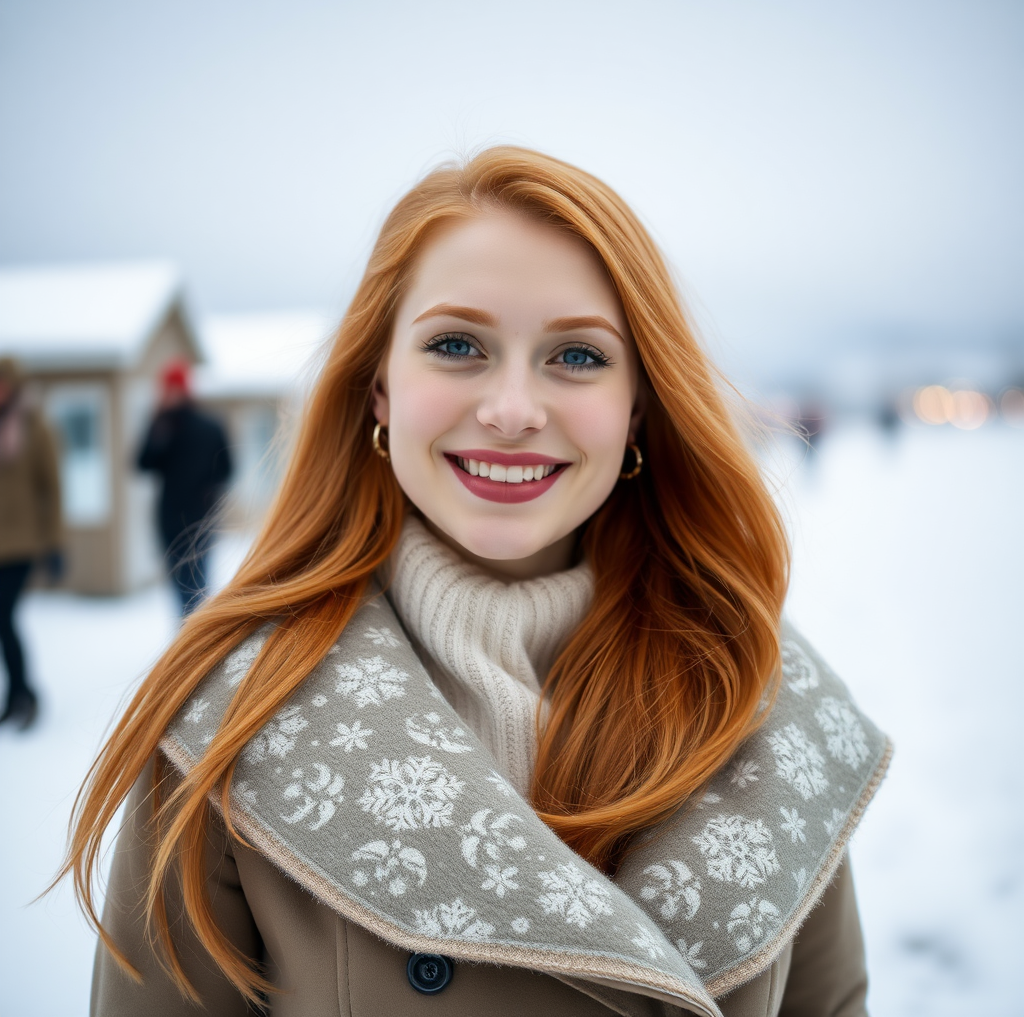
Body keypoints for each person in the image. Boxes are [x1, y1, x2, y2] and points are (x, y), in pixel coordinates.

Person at [62, 148, 891, 1016]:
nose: (511, 409)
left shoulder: (762, 698)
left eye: (576, 356)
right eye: (457, 345)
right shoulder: (234, 718)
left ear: (639, 405)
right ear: (380, 385)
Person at [137, 360, 232, 615]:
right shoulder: (163, 427)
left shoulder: (208, 427)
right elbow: (142, 463)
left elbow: (227, 469)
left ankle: (196, 644)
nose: (166, 396)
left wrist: (207, 491)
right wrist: (157, 425)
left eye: (171, 389)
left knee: (195, 590)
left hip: (199, 520)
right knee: (183, 591)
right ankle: (190, 643)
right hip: (171, 522)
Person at [0, 357, 63, 730]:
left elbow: (51, 488)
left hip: (23, 542)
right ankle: (16, 695)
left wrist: (54, 543)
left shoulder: (34, 426)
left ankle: (25, 694)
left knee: (4, 616)